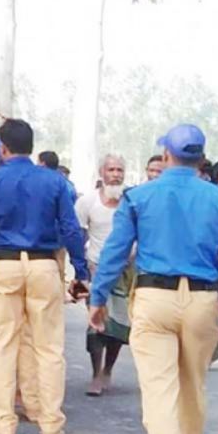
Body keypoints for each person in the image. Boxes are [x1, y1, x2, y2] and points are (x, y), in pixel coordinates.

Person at [89, 123, 218, 434]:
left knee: (160, 395)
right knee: (193, 389)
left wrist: (98, 297)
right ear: (201, 158)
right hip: (203, 300)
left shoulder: (139, 197)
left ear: (166, 155)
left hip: (154, 299)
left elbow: (116, 251)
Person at [0, 119, 89, 434]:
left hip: (2, 267)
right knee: (49, 348)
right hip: (45, 266)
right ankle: (50, 424)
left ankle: (4, 425)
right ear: (31, 146)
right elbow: (71, 229)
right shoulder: (55, 182)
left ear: (2, 148)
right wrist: (81, 271)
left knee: (1, 346)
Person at [75, 154, 130, 396]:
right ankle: (96, 374)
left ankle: (108, 369)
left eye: (119, 170)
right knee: (95, 325)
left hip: (126, 272)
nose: (115, 175)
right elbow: (78, 236)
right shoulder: (87, 202)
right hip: (96, 270)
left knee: (118, 325)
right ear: (102, 173)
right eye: (111, 170)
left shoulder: (131, 201)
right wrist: (81, 270)